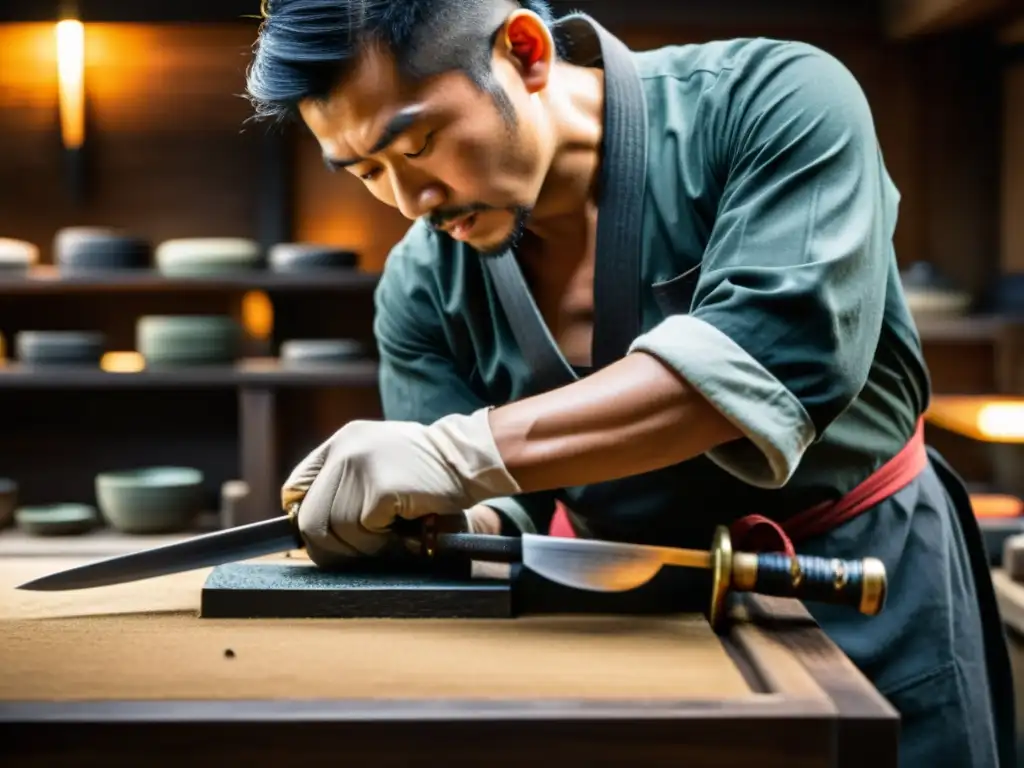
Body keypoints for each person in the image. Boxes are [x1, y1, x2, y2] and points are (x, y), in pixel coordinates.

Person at [245, 1, 1015, 764]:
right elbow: (494, 512)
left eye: (418, 145)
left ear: (525, 51)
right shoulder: (420, 284)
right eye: (367, 172)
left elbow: (768, 360)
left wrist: (455, 452)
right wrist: (422, 519)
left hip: (860, 583)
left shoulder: (774, 101)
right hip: (620, 621)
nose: (409, 201)